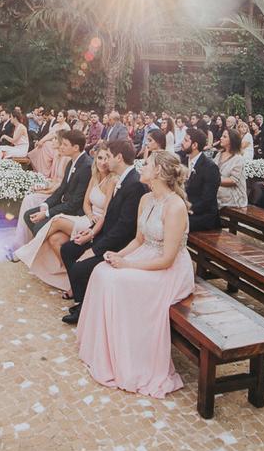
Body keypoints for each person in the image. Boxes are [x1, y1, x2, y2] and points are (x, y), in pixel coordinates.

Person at [75, 149, 196, 398]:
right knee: (101, 271)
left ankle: (130, 359)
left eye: (147, 164)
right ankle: (104, 352)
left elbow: (167, 259)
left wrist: (128, 266)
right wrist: (120, 255)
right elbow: (139, 241)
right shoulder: (146, 199)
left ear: (159, 171)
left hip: (169, 272)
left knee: (116, 282)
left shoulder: (175, 207)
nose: (142, 167)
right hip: (146, 257)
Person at [60, 140, 148, 323]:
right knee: (67, 249)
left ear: (119, 157)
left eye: (108, 156)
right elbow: (109, 216)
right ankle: (83, 301)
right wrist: (90, 233)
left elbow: (124, 228)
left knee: (79, 268)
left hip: (119, 246)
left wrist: (94, 249)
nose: (105, 161)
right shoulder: (122, 180)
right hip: (105, 236)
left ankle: (86, 308)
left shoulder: (135, 184)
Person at [16, 140, 115, 293]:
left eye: (106, 158)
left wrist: (93, 228)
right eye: (100, 158)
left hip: (97, 224)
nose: (103, 162)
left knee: (57, 220)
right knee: (55, 240)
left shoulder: (112, 181)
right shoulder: (95, 177)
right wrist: (89, 213)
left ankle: (28, 250)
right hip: (88, 217)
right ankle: (72, 280)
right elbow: (86, 203)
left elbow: (107, 212)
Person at [178, 128, 221, 232]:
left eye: (186, 140)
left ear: (194, 145)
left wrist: (185, 210)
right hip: (185, 211)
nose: (182, 142)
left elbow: (206, 200)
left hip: (203, 216)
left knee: (174, 223)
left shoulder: (210, 168)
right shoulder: (182, 162)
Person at [214, 128, 248, 209]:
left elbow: (233, 180)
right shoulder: (219, 155)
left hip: (233, 193)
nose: (221, 138)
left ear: (232, 140)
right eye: (222, 136)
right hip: (218, 187)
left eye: (224, 137)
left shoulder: (238, 159)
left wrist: (214, 181)